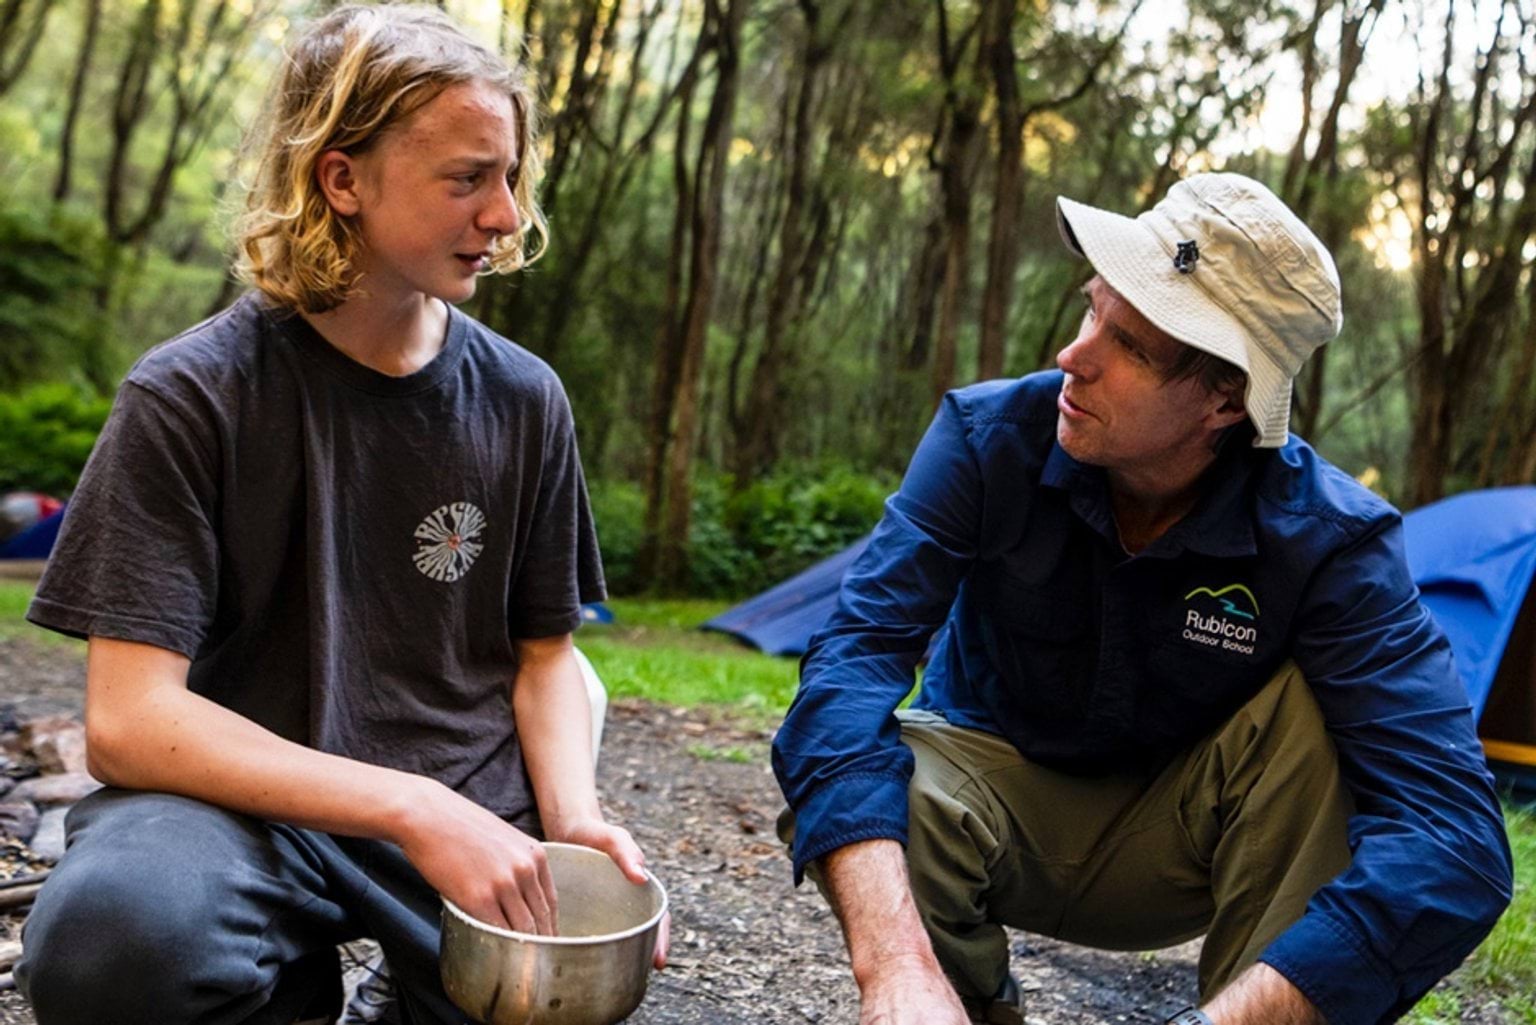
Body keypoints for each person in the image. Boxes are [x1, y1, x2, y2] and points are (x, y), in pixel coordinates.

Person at [16, 6, 663, 1024]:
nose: (503, 213)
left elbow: (546, 659)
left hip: (471, 797)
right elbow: (130, 720)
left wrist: (574, 822)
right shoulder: (191, 393)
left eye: (509, 177)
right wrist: (408, 804)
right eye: (466, 178)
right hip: (240, 809)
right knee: (113, 941)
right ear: (342, 179)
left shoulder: (524, 398)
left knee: (565, 995)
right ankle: (280, 989)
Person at [772, 172, 1513, 1025]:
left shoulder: (1328, 538)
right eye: (1093, 308)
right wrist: (894, 968)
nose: (1073, 357)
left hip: (1188, 840)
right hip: (989, 807)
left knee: (1323, 726)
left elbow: (1457, 838)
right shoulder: (988, 441)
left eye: (1130, 346)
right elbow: (848, 662)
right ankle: (955, 1004)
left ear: (1226, 400)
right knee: (874, 772)